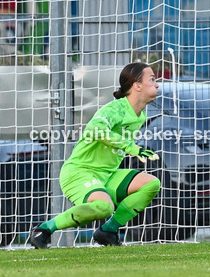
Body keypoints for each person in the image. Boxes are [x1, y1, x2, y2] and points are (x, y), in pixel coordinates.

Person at [28, 63, 162, 248]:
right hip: (80, 172)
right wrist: (131, 147)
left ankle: (109, 230)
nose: (157, 84)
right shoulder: (115, 109)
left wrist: (130, 147)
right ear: (137, 85)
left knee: (151, 183)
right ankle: (44, 229)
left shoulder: (139, 115)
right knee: (104, 207)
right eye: (152, 79)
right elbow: (95, 130)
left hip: (107, 174)